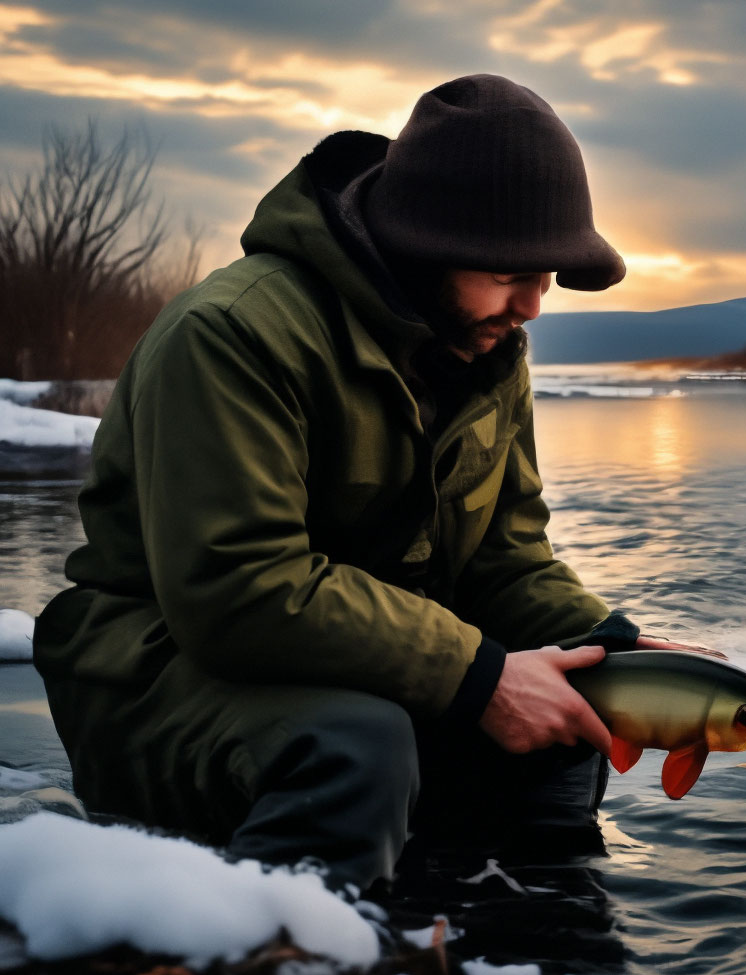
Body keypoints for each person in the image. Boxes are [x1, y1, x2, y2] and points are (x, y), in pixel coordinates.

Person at [34, 74, 695, 890]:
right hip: (154, 676)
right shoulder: (233, 334)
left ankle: (529, 974)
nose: (532, 305)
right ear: (424, 240)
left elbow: (506, 563)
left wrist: (621, 654)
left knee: (567, 712)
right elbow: (239, 590)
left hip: (357, 667)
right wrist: (479, 677)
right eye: (509, 272)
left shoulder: (488, 351)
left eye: (548, 276)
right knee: (357, 744)